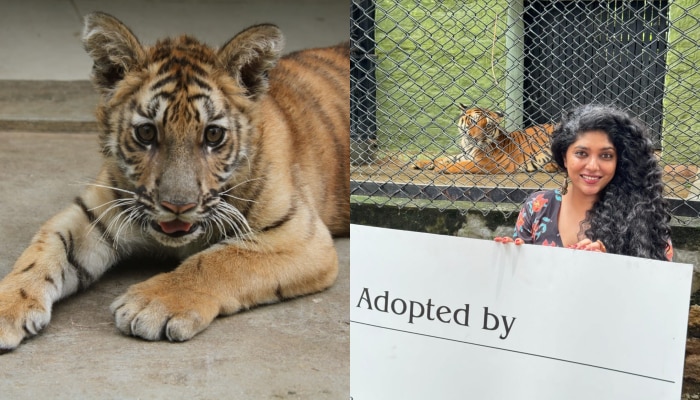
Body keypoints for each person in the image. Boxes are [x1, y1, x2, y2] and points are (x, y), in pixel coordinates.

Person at [496, 103, 673, 261]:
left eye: (606, 155)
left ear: (619, 161)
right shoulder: (538, 206)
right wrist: (512, 259)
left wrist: (609, 265)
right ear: (564, 157)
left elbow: (658, 287)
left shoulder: (642, 214)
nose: (593, 166)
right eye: (581, 153)